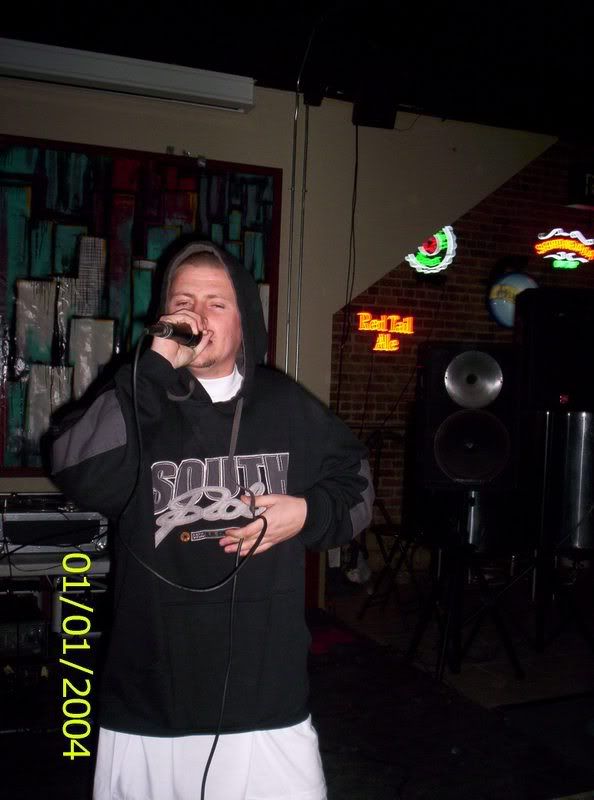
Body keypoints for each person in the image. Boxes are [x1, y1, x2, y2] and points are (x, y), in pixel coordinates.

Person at [51, 240, 374, 800]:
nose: (196, 317)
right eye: (183, 302)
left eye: (216, 304)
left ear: (244, 321)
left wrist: (306, 513)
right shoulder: (136, 394)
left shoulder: (286, 405)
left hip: (266, 701)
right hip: (151, 699)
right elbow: (76, 469)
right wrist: (150, 372)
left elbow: (359, 486)